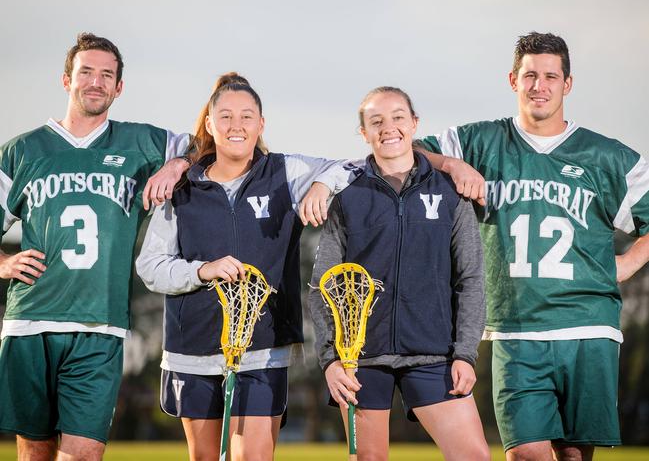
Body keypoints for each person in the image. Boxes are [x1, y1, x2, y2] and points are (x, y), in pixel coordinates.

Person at [416, 32, 649, 461]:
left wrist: (626, 264)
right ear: (512, 80)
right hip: (514, 327)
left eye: (550, 76)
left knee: (575, 455)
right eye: (529, 76)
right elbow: (405, 152)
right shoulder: (482, 142)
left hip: (587, 324)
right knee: (526, 453)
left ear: (567, 84)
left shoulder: (605, 156)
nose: (539, 86)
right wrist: (451, 163)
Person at [135, 72, 358, 461]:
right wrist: (202, 270)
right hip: (193, 348)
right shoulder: (182, 188)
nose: (236, 126)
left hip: (263, 346)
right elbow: (150, 267)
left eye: (246, 116)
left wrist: (321, 186)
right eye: (225, 117)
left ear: (261, 124)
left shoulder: (285, 173)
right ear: (209, 123)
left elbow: (355, 166)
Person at [0, 32, 195, 460]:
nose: (96, 82)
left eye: (107, 75)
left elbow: (209, 143)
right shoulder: (23, 150)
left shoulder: (141, 142)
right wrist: (3, 262)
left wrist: (177, 164)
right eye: (86, 72)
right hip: (30, 321)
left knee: (83, 454)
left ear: (118, 87)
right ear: (66, 79)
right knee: (34, 452)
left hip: (99, 326)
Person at [308, 86, 490, 461]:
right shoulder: (346, 194)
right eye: (376, 121)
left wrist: (465, 353)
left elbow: (470, 279)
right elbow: (323, 286)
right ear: (364, 133)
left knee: (474, 457)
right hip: (361, 357)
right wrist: (331, 359)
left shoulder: (450, 192)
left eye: (397, 117)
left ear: (414, 124)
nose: (388, 128)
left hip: (434, 355)